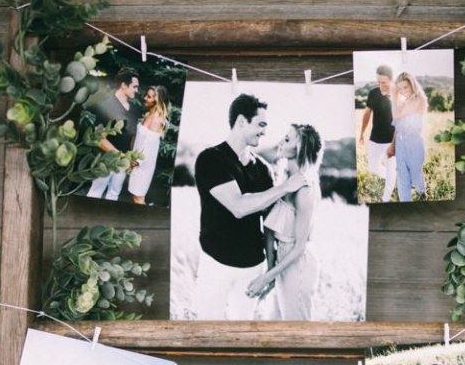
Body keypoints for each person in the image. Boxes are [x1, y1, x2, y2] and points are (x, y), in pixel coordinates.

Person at [193, 93, 308, 320]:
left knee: (242, 331)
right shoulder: (210, 159)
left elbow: (270, 222)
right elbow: (238, 206)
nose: (265, 131)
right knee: (207, 329)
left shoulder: (263, 169)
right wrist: (284, 187)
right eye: (261, 124)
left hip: (252, 268)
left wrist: (270, 270)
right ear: (241, 121)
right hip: (216, 264)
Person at [246, 123, 322, 320]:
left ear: (299, 148)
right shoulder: (284, 179)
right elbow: (269, 228)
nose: (280, 142)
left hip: (298, 264)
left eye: (287, 139)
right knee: (275, 324)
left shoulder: (305, 189)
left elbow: (299, 247)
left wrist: (265, 278)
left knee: (295, 332)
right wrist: (270, 267)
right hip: (282, 261)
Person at [87, 68, 140, 201]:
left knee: (114, 194)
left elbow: (132, 135)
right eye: (134, 87)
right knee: (95, 193)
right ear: (123, 85)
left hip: (123, 163)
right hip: (105, 160)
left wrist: (131, 157)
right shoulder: (107, 105)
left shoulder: (133, 109)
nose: (137, 90)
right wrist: (121, 156)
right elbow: (99, 139)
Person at [387, 71, 428, 202]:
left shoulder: (419, 99)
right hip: (400, 143)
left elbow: (397, 117)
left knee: (416, 175)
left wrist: (394, 97)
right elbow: (397, 126)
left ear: (412, 85)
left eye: (405, 87)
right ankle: (405, 203)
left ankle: (422, 195)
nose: (403, 91)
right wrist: (392, 145)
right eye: (400, 89)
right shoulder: (403, 103)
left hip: (414, 143)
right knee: (402, 178)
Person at [358, 64, 397, 202]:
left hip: (391, 140)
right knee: (373, 168)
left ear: (391, 80)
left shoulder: (398, 95)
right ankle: (394, 178)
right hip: (374, 139)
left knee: (391, 170)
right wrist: (362, 133)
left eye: (384, 82)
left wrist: (394, 144)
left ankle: (386, 199)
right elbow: (367, 113)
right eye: (378, 82)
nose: (381, 85)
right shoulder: (373, 93)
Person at [127, 84, 170, 205]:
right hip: (136, 160)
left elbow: (149, 146)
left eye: (149, 97)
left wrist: (136, 162)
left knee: (138, 198)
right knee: (134, 195)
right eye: (146, 95)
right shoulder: (148, 114)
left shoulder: (156, 119)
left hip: (143, 164)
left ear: (157, 101)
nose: (145, 98)